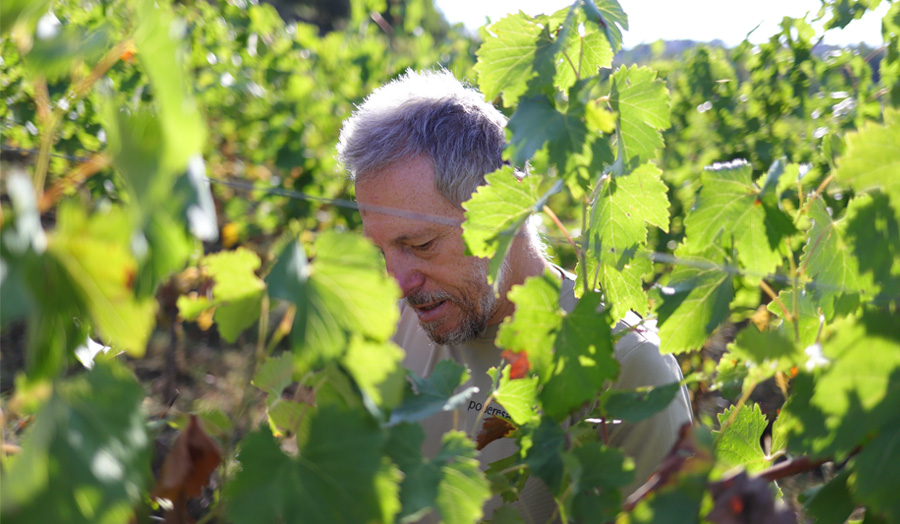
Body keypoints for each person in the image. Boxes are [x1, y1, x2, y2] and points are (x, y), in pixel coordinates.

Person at [337, 69, 692, 523]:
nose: (397, 283)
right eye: (381, 250)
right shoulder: (389, 324)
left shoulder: (627, 366)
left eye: (421, 245)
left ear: (506, 210)